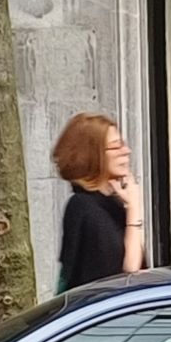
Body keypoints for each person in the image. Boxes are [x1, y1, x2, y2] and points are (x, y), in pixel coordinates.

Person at [54, 112, 145, 291]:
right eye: (116, 147)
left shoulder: (110, 202)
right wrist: (134, 207)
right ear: (93, 156)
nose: (127, 151)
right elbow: (129, 273)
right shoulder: (86, 208)